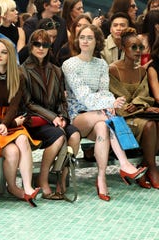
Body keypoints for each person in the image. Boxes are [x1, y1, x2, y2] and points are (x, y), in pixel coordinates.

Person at [62, 24, 147, 201]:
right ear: (78, 40)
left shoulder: (101, 64)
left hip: (99, 115)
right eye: (82, 37)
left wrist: (109, 102)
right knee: (107, 116)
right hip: (78, 116)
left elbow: (104, 91)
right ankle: (124, 164)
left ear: (97, 41)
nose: (85, 41)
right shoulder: (69, 65)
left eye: (89, 37)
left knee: (103, 127)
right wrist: (110, 104)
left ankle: (101, 178)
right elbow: (83, 95)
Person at [0, 38, 40, 207]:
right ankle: (12, 187)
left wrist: (8, 123)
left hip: (9, 120)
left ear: (10, 55)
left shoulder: (17, 76)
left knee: (23, 140)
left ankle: (27, 187)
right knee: (12, 153)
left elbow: (14, 105)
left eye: (3, 52)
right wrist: (7, 124)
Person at [20, 29, 80, 200]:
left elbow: (62, 99)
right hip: (36, 121)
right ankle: (43, 179)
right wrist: (52, 117)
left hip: (56, 119)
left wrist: (62, 117)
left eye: (45, 44)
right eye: (37, 44)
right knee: (59, 136)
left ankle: (62, 179)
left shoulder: (56, 70)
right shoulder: (22, 71)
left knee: (75, 135)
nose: (41, 48)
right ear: (31, 46)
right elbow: (28, 103)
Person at [109, 27, 159, 189]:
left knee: (155, 124)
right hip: (120, 120)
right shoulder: (113, 70)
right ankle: (152, 168)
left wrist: (140, 105)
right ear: (123, 48)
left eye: (140, 47)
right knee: (150, 125)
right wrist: (141, 108)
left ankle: (145, 166)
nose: (138, 51)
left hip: (138, 117)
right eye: (133, 47)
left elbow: (145, 97)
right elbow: (113, 100)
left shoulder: (141, 72)